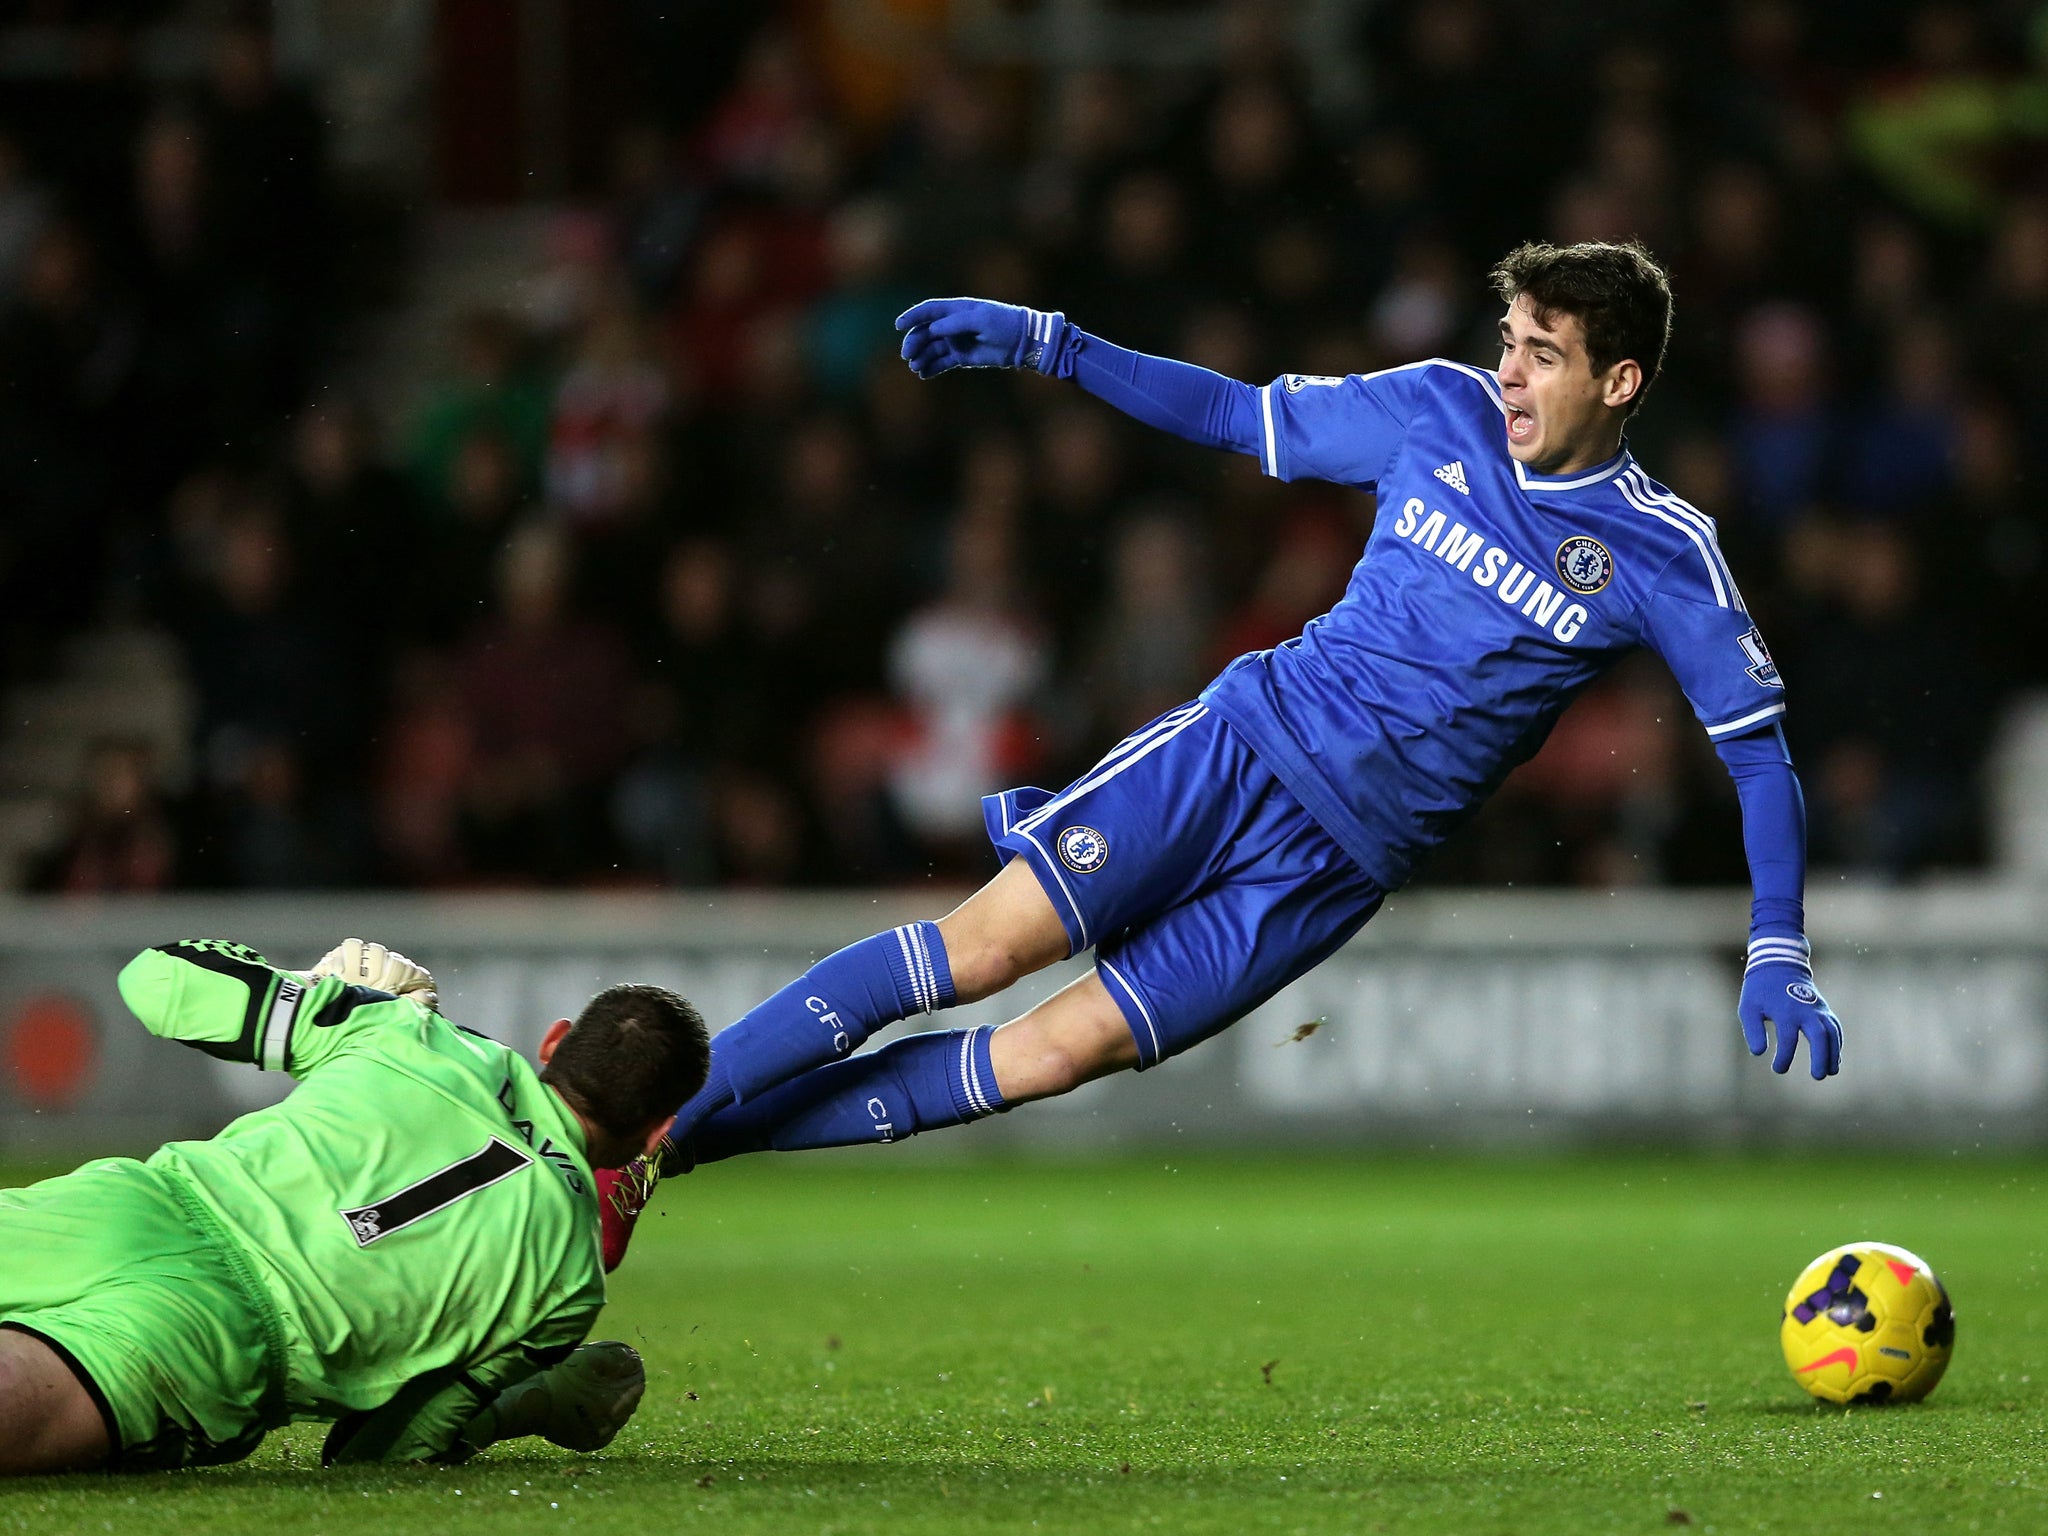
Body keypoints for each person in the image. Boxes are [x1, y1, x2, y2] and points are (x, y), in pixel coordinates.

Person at [599, 239, 1842, 1267]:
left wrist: (1777, 937)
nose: (1508, 377)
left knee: (1047, 1054)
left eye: (1543, 357)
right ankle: (629, 1135)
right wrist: (1053, 344)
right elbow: (1232, 415)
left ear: (1619, 384)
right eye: (1508, 342)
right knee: (974, 955)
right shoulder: (1436, 408)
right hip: (1239, 751)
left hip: (1334, 867)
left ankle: (669, 1148)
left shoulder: (1662, 552)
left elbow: (1754, 755)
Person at [0, 938, 708, 1473]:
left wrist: (309, 988)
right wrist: (533, 1402)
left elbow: (155, 979)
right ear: (657, 1132)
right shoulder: (568, 1285)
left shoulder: (406, 1033)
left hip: (130, 1209)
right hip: (206, 1340)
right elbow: (381, 1453)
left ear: (554, 1043)